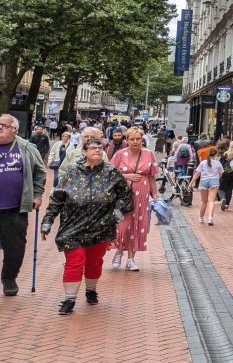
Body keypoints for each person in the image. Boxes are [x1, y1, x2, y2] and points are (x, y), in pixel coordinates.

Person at [40, 137, 133, 314]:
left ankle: (91, 290)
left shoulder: (111, 172)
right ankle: (69, 299)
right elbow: (56, 199)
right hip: (73, 226)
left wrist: (117, 212)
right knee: (75, 261)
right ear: (84, 152)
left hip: (101, 226)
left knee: (94, 262)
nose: (97, 150)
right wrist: (47, 221)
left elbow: (125, 197)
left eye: (100, 148)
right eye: (92, 148)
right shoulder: (71, 173)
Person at [0, 114, 47, 296]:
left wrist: (37, 195)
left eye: (4, 125)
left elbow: (40, 172)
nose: (0, 128)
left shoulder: (26, 147)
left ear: (14, 130)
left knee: (15, 248)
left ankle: (9, 277)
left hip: (14, 209)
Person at [109, 127, 159, 271]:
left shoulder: (148, 154)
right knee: (122, 225)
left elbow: (151, 176)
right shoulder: (120, 154)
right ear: (127, 140)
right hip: (123, 195)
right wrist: (126, 176)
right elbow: (110, 173)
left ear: (142, 139)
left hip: (142, 194)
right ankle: (119, 251)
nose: (135, 142)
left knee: (138, 225)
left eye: (138, 139)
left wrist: (154, 194)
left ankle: (131, 259)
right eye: (132, 139)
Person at [190, 148, 224, 226]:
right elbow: (221, 173)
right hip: (214, 181)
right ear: (216, 155)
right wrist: (216, 178)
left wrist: (191, 183)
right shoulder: (218, 163)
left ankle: (201, 218)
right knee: (211, 201)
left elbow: (197, 173)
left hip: (204, 181)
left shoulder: (203, 162)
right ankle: (210, 218)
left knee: (204, 202)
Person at [219, 140, 233, 211]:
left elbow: (220, 164)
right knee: (229, 189)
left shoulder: (225, 154)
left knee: (221, 188)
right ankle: (227, 205)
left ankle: (223, 198)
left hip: (225, 173)